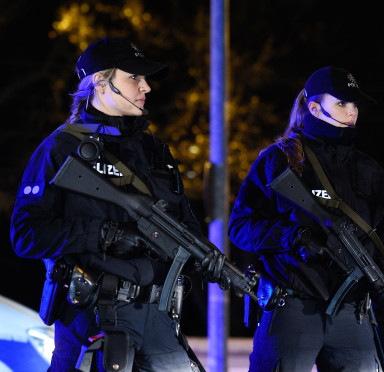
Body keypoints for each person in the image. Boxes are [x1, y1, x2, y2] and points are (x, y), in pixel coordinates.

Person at [10, 37, 228, 372]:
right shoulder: (61, 148)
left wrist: (205, 260)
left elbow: (185, 226)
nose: (147, 87)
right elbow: (27, 234)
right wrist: (105, 234)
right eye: (135, 78)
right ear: (100, 82)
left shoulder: (156, 151)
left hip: (160, 321)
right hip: (95, 320)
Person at [228, 66, 384, 372]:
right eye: (342, 103)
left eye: (355, 105)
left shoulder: (370, 171)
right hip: (293, 308)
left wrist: (380, 283)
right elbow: (240, 227)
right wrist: (293, 237)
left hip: (352, 313)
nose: (352, 112)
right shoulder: (280, 159)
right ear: (313, 107)